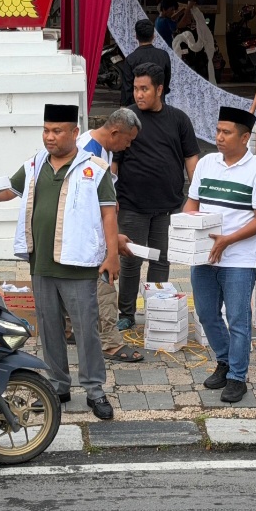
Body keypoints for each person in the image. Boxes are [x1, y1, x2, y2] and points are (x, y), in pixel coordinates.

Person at [0, 104, 121, 420]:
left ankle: (95, 390)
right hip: (42, 263)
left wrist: (112, 255)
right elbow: (9, 190)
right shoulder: (35, 164)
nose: (50, 136)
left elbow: (108, 213)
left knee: (87, 330)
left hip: (79, 265)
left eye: (57, 131)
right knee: (49, 329)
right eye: (46, 130)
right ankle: (59, 386)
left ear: (74, 132)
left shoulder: (95, 168)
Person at [186, 106, 256, 404]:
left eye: (226, 132)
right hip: (204, 256)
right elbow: (192, 203)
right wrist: (185, 229)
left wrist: (228, 240)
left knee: (238, 319)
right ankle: (224, 361)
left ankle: (238, 376)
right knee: (206, 314)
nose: (219, 137)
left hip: (239, 259)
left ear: (245, 137)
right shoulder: (206, 164)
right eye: (218, 131)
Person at [113, 63, 200, 331]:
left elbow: (191, 159)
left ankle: (157, 309)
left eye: (144, 89)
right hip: (132, 204)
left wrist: (195, 197)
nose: (138, 94)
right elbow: (114, 160)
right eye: (135, 88)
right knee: (130, 260)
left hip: (168, 205)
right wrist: (110, 196)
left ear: (159, 89)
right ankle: (126, 313)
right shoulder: (127, 119)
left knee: (161, 260)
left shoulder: (179, 119)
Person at [73, 108, 144, 363]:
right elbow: (95, 208)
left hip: (92, 231)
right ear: (115, 132)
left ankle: (72, 329)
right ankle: (110, 343)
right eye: (128, 139)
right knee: (105, 284)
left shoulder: (103, 148)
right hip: (90, 233)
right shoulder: (88, 153)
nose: (128, 145)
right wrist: (111, 244)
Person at [120, 18, 171, 106]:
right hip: (158, 104)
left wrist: (125, 106)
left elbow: (127, 88)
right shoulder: (164, 55)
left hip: (137, 106)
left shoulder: (131, 59)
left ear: (136, 36)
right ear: (153, 36)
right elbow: (166, 81)